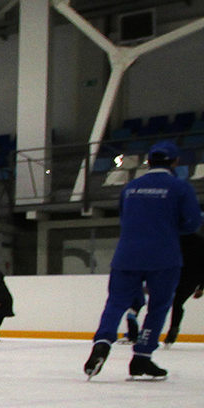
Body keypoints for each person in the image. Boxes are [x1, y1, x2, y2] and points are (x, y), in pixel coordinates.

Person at [82, 141, 202, 380]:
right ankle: (142, 357)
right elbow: (192, 223)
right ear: (175, 162)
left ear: (149, 162)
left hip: (127, 254)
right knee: (158, 306)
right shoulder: (180, 188)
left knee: (116, 303)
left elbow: (124, 217)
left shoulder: (130, 187)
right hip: (164, 256)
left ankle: (103, 342)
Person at [163, 231, 204, 346]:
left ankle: (171, 329)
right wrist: (201, 287)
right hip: (191, 279)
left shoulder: (176, 240)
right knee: (177, 303)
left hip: (177, 276)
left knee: (171, 303)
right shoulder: (199, 242)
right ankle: (173, 328)